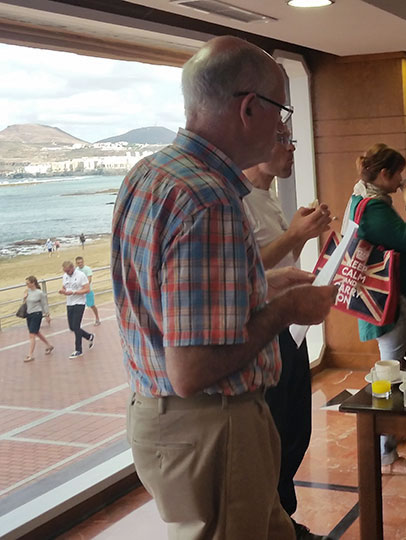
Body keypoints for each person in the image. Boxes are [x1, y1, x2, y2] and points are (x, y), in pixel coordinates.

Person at [111, 36, 335, 540]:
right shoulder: (209, 199)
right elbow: (193, 369)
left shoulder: (150, 173)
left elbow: (165, 299)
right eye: (282, 112)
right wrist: (287, 309)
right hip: (211, 426)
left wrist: (264, 283)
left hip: (161, 418)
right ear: (249, 108)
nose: (282, 128)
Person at [242, 126, 333, 540]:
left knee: (296, 429)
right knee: (278, 432)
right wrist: (294, 235)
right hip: (265, 331)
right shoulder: (238, 201)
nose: (291, 147)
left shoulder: (268, 198)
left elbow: (281, 264)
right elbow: (244, 273)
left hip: (287, 327)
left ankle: (283, 520)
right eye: (281, 138)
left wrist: (304, 237)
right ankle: (277, 523)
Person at [346, 143, 406, 474]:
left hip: (387, 297)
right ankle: (385, 454)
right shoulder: (375, 209)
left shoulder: (362, 197)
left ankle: (394, 430)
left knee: (397, 366)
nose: (402, 180)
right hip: (389, 301)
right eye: (398, 174)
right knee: (392, 373)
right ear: (383, 174)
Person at [58, 260, 94, 358]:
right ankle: (89, 336)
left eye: (68, 271)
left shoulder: (81, 275)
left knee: (76, 326)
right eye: (65, 271)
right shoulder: (65, 276)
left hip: (79, 302)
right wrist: (63, 291)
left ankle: (78, 349)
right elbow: (64, 287)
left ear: (72, 268)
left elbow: (87, 289)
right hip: (69, 303)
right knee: (72, 327)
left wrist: (74, 292)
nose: (67, 273)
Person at [23, 275, 54, 362]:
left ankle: (30, 354)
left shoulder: (39, 293)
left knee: (32, 334)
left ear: (33, 283)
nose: (27, 285)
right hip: (29, 314)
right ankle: (49, 345)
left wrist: (47, 315)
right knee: (36, 332)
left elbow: (44, 304)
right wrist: (24, 297)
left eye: (28, 283)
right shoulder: (27, 291)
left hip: (37, 314)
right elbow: (25, 303)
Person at [75, 256, 101, 326]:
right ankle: (77, 323)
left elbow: (89, 280)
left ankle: (97, 318)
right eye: (78, 263)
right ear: (76, 263)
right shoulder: (76, 270)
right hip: (80, 292)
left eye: (81, 262)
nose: (80, 264)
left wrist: (84, 287)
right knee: (78, 307)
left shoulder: (87, 269)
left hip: (88, 291)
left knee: (91, 305)